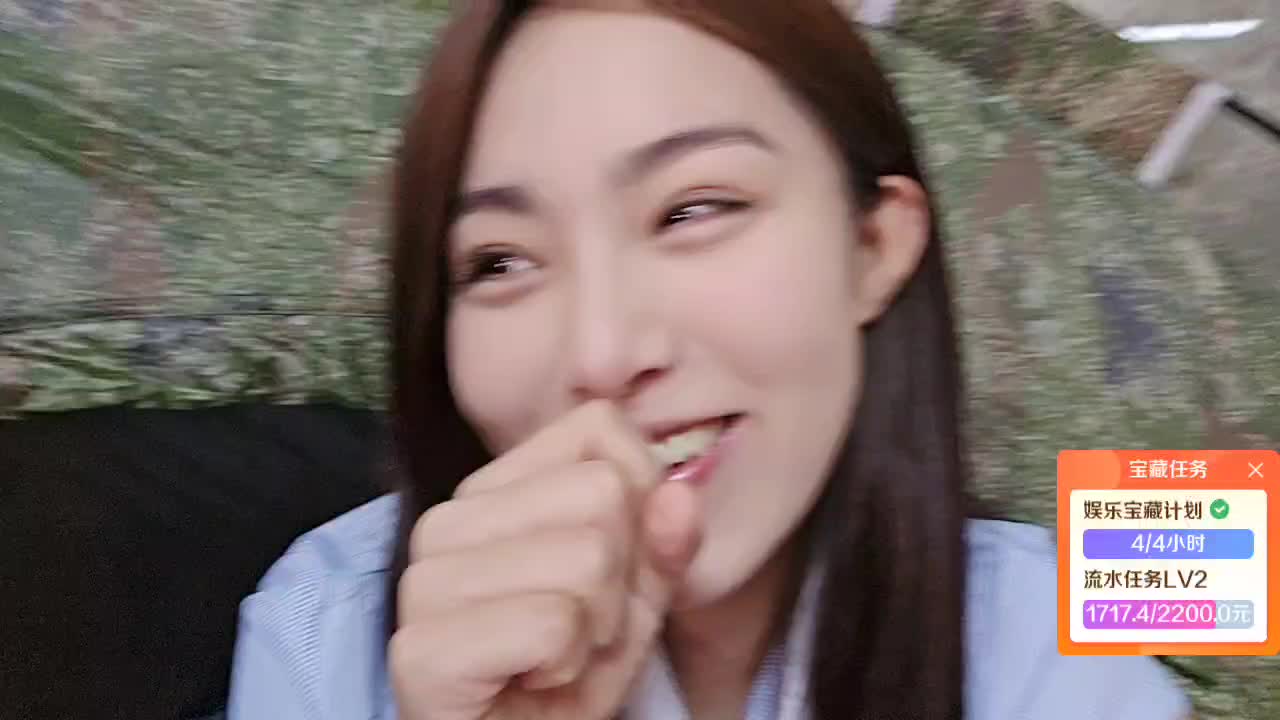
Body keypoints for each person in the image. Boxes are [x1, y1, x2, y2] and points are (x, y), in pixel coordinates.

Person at [227, 1, 1193, 718]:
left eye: (695, 209)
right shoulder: (323, 632)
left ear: (873, 247)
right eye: (499, 262)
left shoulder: (1061, 633)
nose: (601, 353)